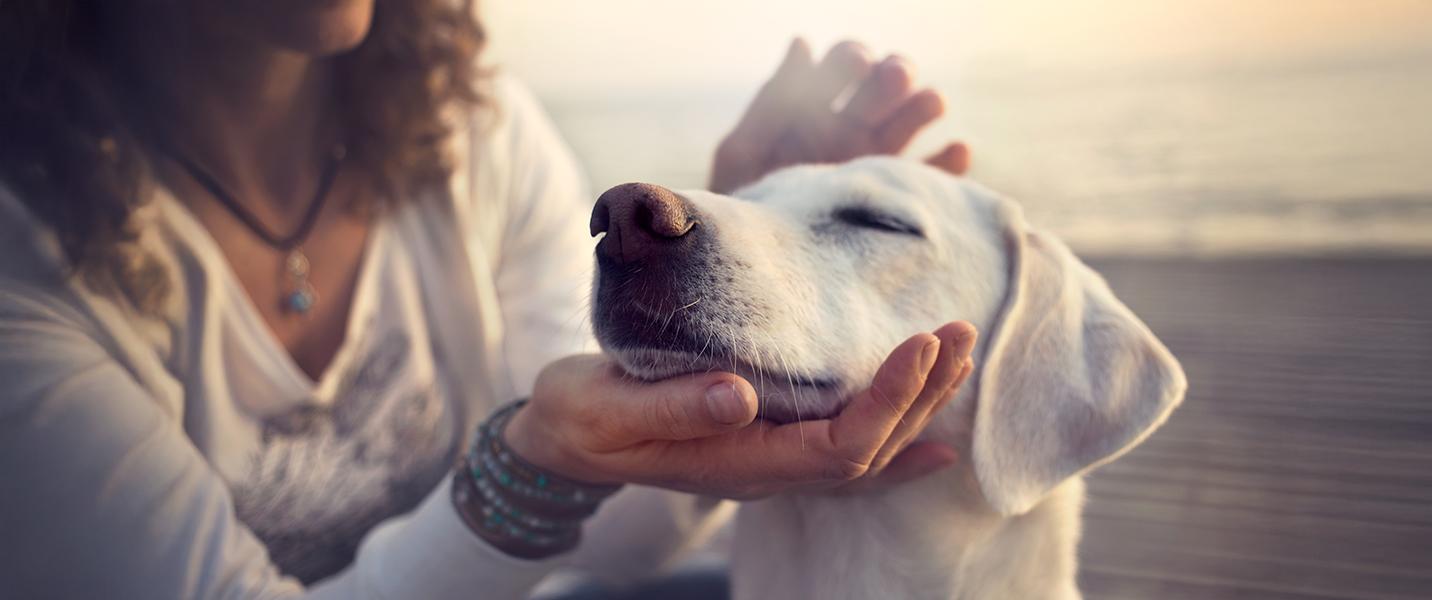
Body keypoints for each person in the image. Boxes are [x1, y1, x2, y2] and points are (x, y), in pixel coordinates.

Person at [0, 2, 977, 598]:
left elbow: (621, 540)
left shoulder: (471, 131)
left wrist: (715, 293)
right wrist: (532, 463)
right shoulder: (20, 256)